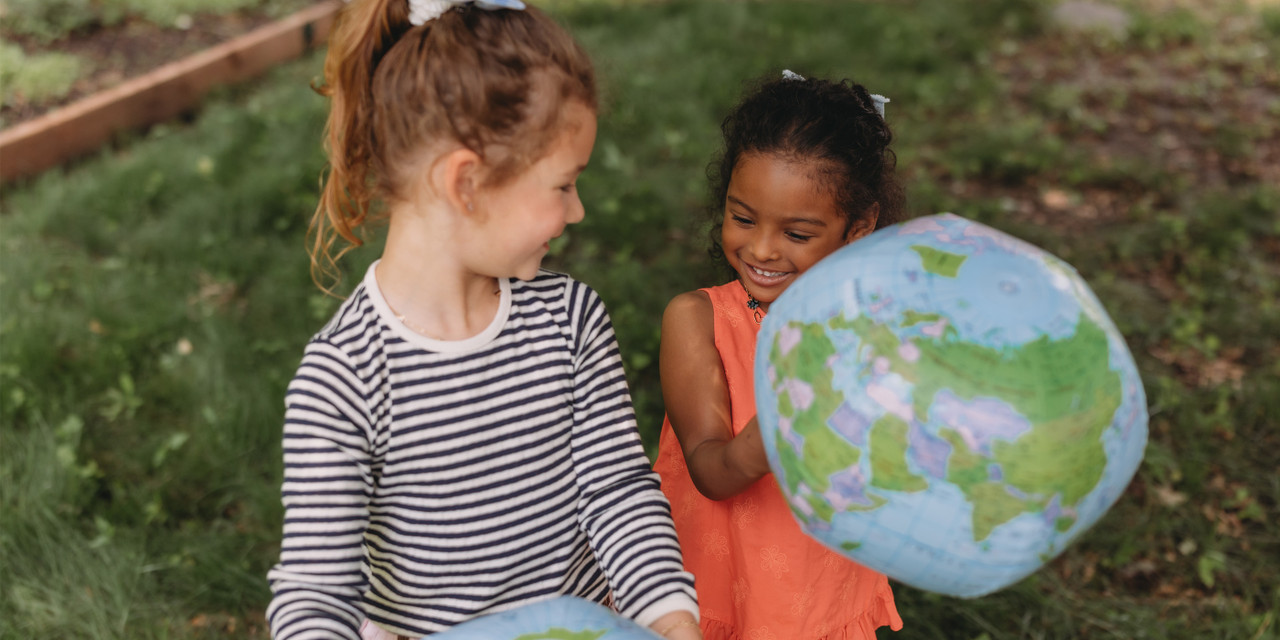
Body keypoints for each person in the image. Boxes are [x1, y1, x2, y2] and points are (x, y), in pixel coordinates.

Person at [265, 1, 701, 638]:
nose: (577, 211)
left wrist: (672, 622)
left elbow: (617, 495)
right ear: (466, 184)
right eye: (562, 186)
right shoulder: (344, 380)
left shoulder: (570, 321)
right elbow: (315, 597)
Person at [652, 71, 907, 639]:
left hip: (818, 594)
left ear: (858, 229)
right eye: (743, 219)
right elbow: (710, 471)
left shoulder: (869, 334)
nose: (762, 248)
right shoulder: (698, 322)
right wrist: (765, 443)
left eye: (796, 233)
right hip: (715, 590)